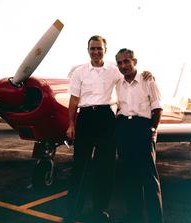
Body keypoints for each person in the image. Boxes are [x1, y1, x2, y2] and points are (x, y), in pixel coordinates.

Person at [65, 36, 152, 223]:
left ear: (105, 49)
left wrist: (147, 73)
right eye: (92, 48)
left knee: (106, 166)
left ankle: (101, 209)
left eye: (99, 48)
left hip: (106, 118)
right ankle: (72, 209)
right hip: (86, 117)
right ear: (87, 49)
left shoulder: (114, 70)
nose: (95, 52)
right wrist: (71, 124)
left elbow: (131, 74)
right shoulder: (79, 72)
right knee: (80, 164)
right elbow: (73, 100)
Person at [115, 48, 164, 223]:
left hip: (142, 127)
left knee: (149, 177)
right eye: (120, 63)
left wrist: (152, 130)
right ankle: (133, 216)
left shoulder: (147, 80)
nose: (123, 66)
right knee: (129, 176)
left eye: (126, 61)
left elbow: (157, 108)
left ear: (134, 61)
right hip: (123, 128)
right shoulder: (118, 83)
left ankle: (156, 219)